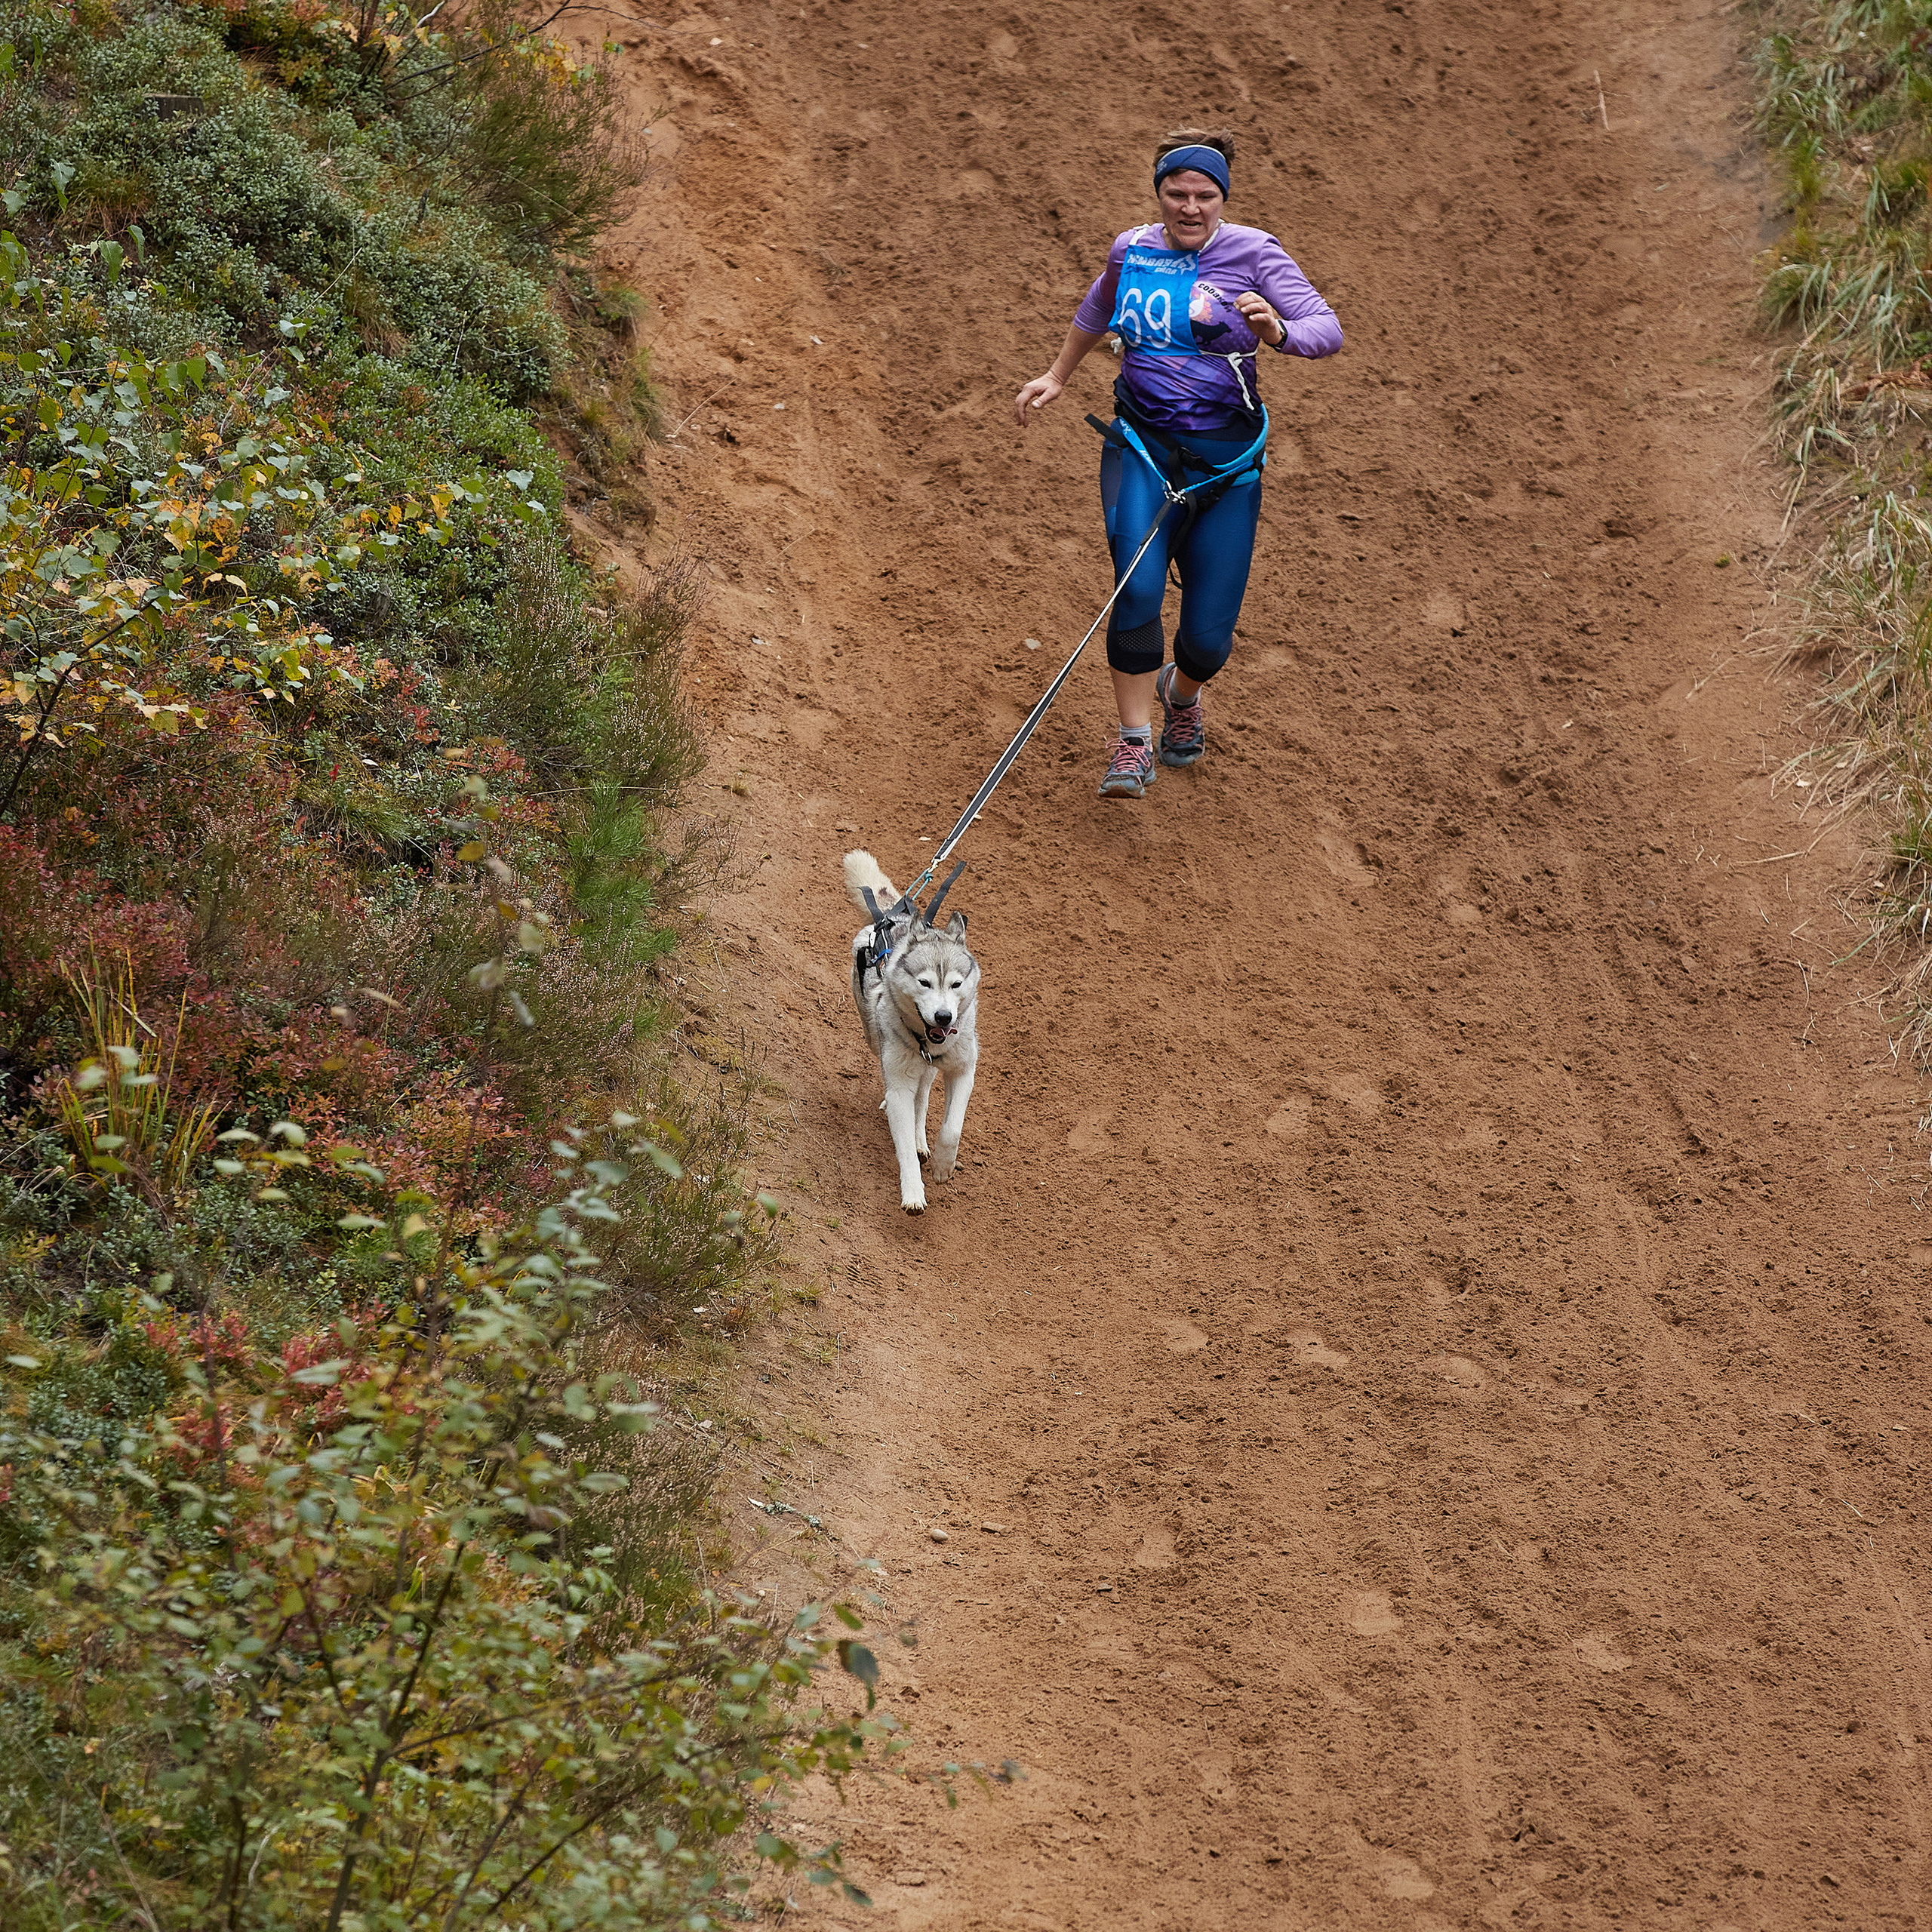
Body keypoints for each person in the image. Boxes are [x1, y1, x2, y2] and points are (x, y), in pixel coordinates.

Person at [1014, 128, 1343, 798]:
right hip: (1141, 445)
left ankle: (1181, 693)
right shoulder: (1132, 249)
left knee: (1207, 644)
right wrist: (1058, 374)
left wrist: (1275, 332)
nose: (1190, 207)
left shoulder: (1255, 253)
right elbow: (1097, 306)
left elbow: (1326, 329)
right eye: (1177, 194)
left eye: (1205, 196)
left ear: (1223, 198)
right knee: (1135, 591)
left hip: (1226, 465)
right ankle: (1133, 741)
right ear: (1160, 195)